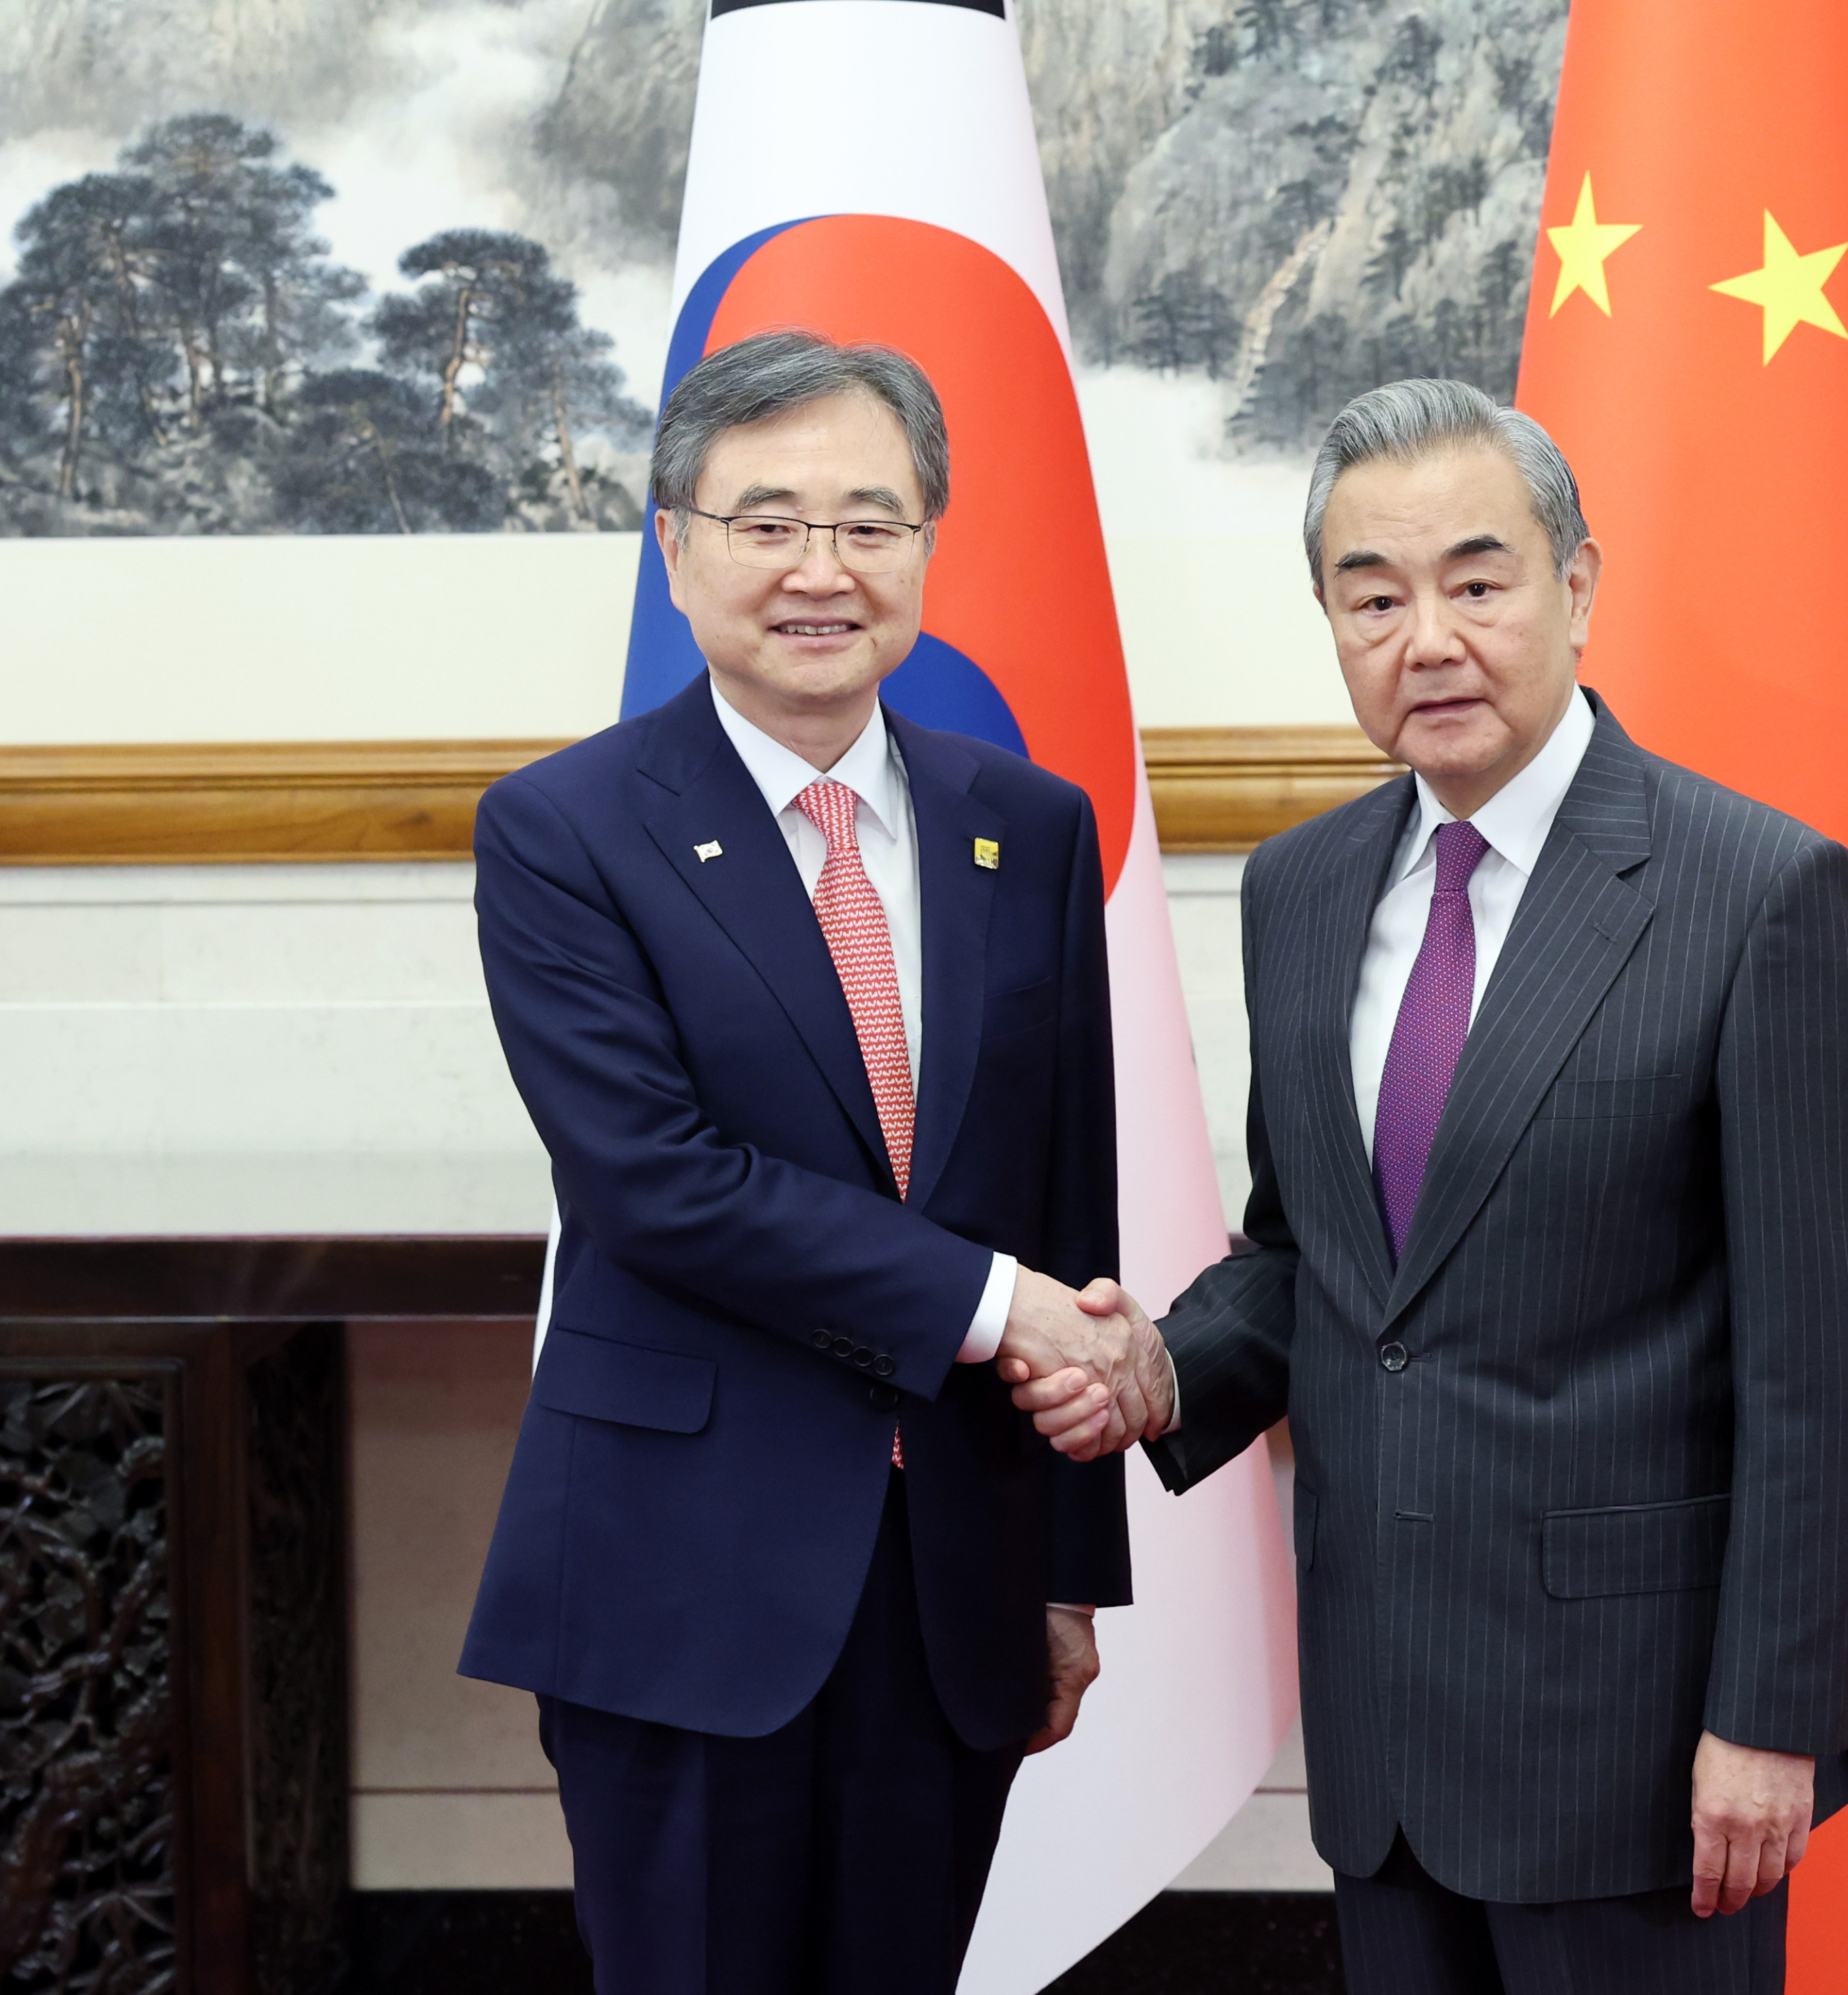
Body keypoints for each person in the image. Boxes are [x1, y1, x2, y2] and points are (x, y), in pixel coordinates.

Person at [1020, 378, 1848, 1992]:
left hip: (1643, 1748)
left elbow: (1818, 1372)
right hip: (1385, 1736)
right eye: (1373, 597)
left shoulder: (1757, 895)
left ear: (1574, 588)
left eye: (1475, 583)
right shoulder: (1298, 893)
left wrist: (1770, 1721)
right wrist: (1157, 1369)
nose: (1426, 637)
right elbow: (1316, 1261)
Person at [459, 328, 1146, 1995]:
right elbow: (657, 1182)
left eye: (869, 522)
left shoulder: (1025, 824)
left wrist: (1065, 1573)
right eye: (765, 522)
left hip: (949, 1600)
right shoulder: (566, 832)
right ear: (674, 544)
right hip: (681, 1587)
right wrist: (999, 1309)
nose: (819, 571)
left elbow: (1069, 1204)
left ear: (927, 545)